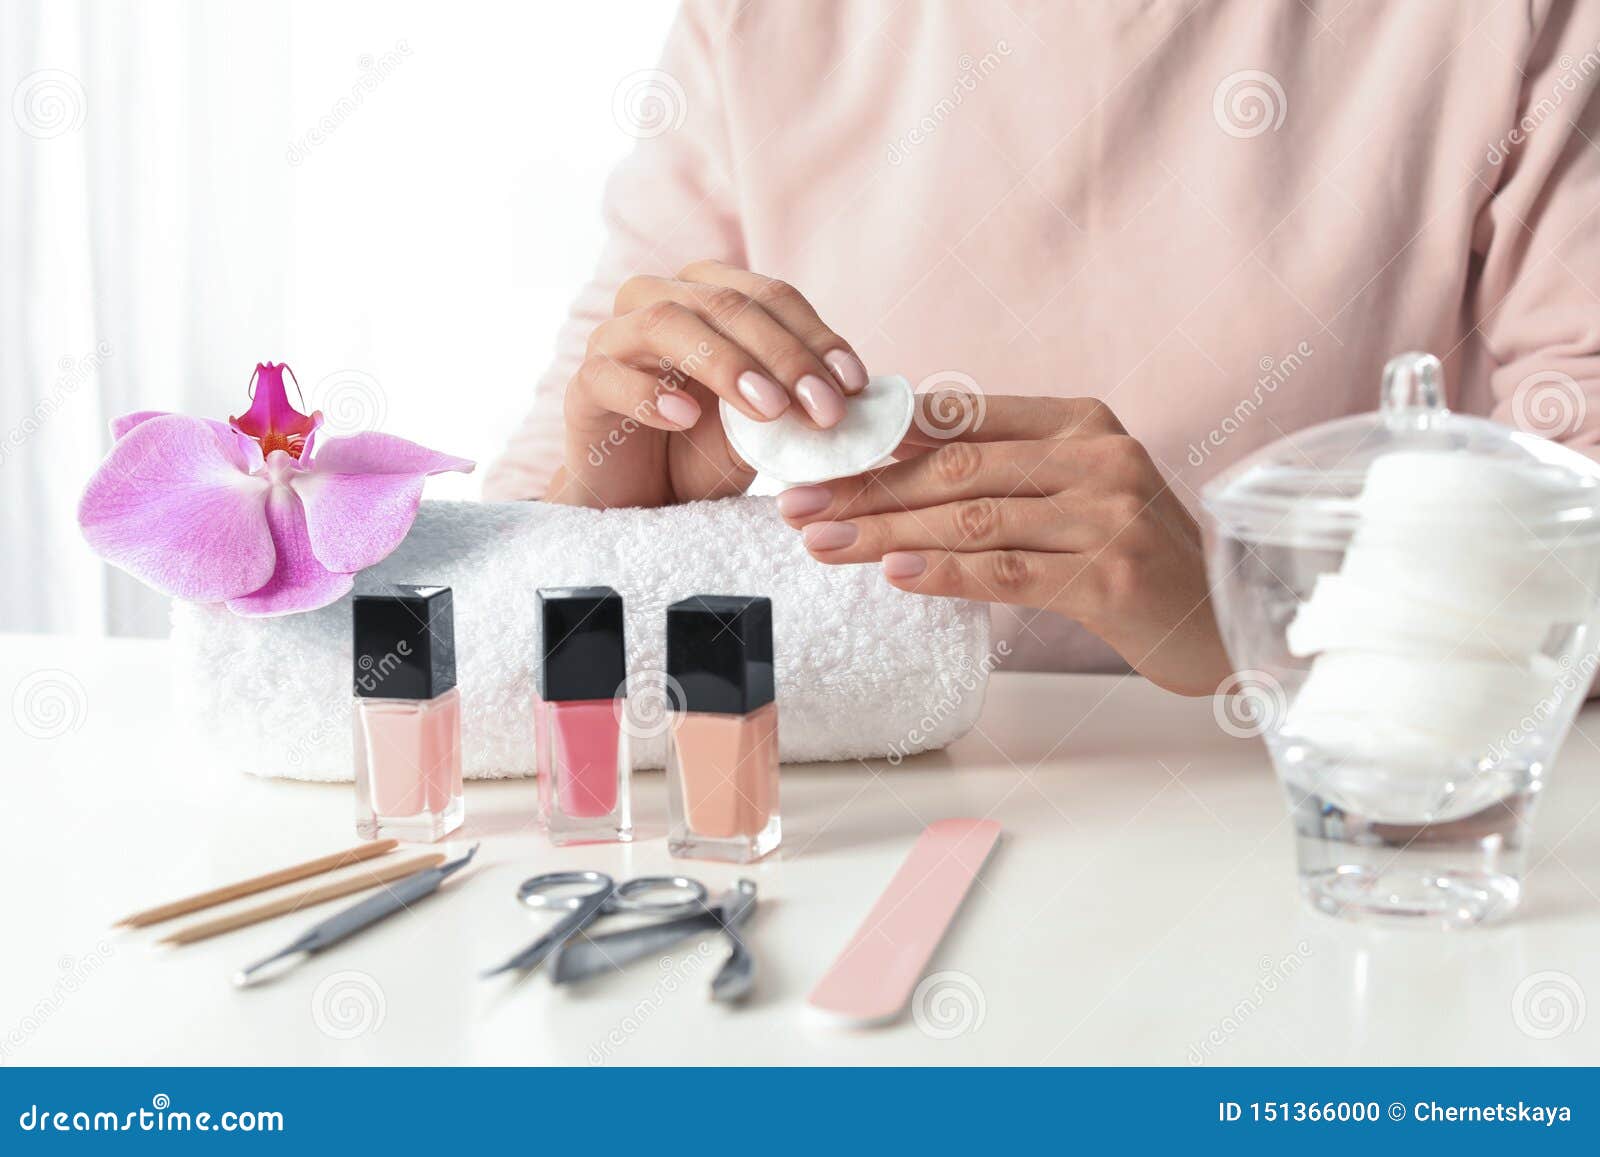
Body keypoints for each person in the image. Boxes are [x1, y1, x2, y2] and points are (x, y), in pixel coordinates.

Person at [485, 0, 1600, 695]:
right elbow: (511, 553)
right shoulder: (760, 22)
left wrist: (1254, 634)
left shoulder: (1512, 25)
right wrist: (617, 489)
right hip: (851, 824)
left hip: (1287, 826)